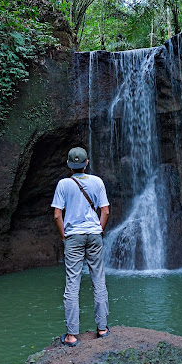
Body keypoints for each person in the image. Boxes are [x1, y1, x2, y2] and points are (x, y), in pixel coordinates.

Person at [51, 146, 110, 347]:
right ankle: (102, 329)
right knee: (98, 280)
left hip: (73, 236)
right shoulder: (98, 182)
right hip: (94, 235)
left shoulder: (63, 184)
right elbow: (106, 211)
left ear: (68, 164)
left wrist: (64, 236)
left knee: (72, 284)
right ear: (86, 163)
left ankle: (72, 336)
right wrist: (99, 230)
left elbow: (57, 214)